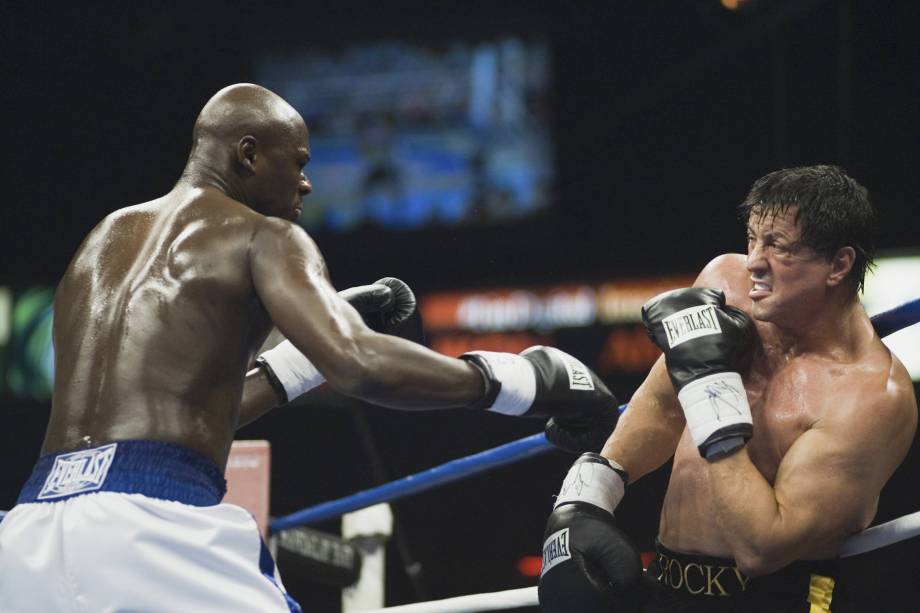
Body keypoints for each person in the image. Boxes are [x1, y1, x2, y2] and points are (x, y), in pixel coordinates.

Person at [0, 84, 618, 612]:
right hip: (156, 528)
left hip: (28, 533)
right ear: (247, 154)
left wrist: (294, 364)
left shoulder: (103, 241)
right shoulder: (265, 235)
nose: (307, 182)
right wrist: (528, 379)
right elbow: (361, 366)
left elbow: (186, 412)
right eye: (295, 162)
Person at [538, 165, 918, 612]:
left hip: (776, 597)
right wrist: (587, 498)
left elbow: (763, 548)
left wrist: (709, 389)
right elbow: (664, 404)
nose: (755, 261)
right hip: (664, 579)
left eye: (778, 246)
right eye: (753, 239)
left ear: (838, 264)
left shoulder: (870, 397)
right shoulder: (726, 285)